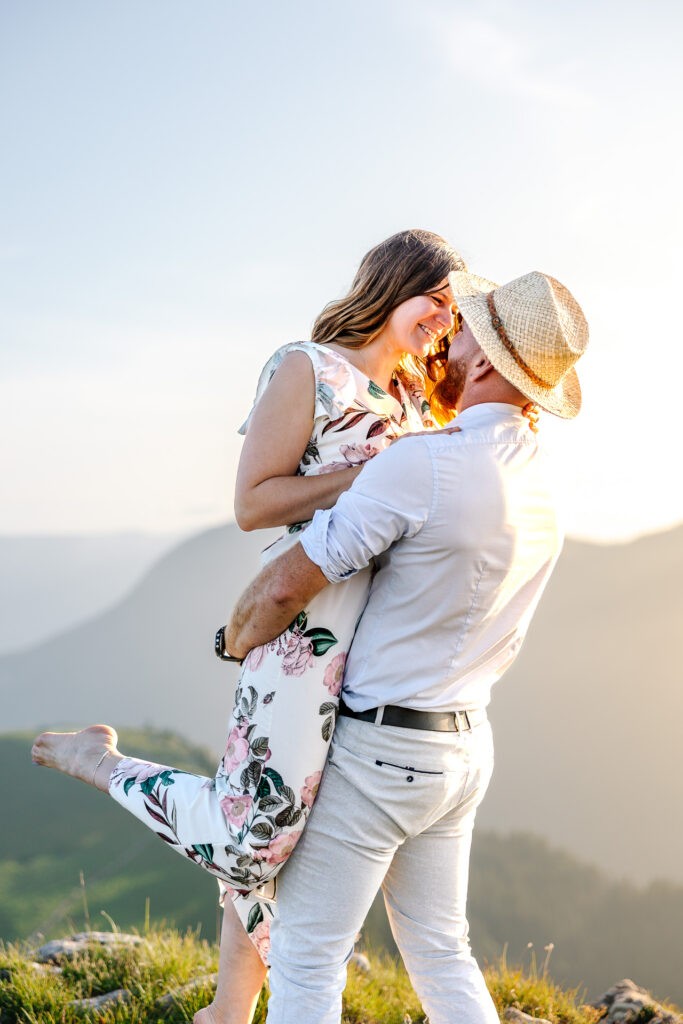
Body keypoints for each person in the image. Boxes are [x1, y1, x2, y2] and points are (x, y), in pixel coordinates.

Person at [31, 229, 474, 1024]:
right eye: (433, 297)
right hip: (302, 639)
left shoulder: (414, 397)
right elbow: (252, 504)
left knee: (292, 851)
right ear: (392, 283)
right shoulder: (308, 366)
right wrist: (363, 476)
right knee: (255, 835)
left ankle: (227, 1011)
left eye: (454, 305)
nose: (444, 316)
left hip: (375, 657)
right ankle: (102, 763)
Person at [222, 269, 589, 1024]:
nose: (448, 347)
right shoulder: (546, 483)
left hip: (380, 752)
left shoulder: (422, 463)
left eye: (465, 337)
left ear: (485, 364)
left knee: (306, 959)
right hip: (464, 748)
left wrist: (236, 642)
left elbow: (286, 586)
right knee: (439, 947)